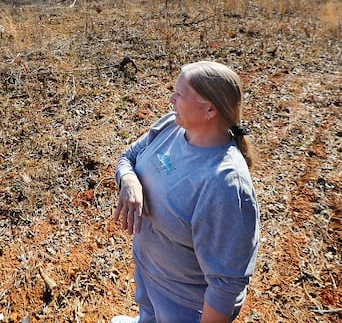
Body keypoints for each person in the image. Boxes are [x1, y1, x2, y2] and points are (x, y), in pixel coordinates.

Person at [111, 61, 260, 323]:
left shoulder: (224, 184)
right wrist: (130, 181)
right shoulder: (172, 126)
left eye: (179, 94)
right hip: (150, 275)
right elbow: (129, 157)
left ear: (210, 108)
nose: (171, 100)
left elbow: (225, 285)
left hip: (184, 306)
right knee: (147, 314)